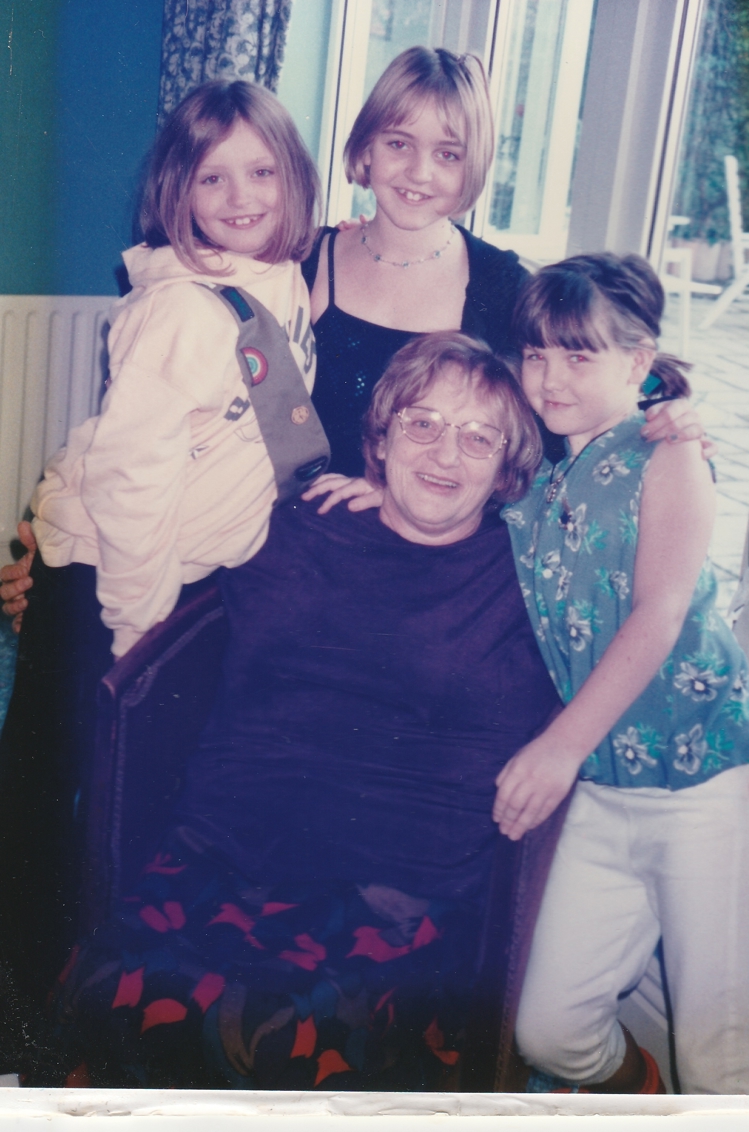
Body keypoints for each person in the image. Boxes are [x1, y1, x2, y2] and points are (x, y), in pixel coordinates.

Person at [49, 335, 559, 1090]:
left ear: (509, 470)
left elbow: (649, 596)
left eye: (479, 437)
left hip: (399, 887)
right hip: (225, 848)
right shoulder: (293, 527)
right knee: (102, 993)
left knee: (283, 1038)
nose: (445, 453)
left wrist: (673, 440)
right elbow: (138, 524)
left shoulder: (530, 579)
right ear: (380, 438)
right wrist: (46, 565)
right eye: (422, 423)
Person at [0, 78, 322, 1000]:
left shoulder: (278, 280)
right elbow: (132, 482)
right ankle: (26, 981)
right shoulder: (180, 312)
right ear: (177, 191)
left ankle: (83, 946)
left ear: (294, 179)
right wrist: (135, 627)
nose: (240, 197)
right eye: (212, 178)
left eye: (260, 172)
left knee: (126, 778)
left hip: (182, 575)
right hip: (107, 575)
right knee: (51, 776)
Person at [492, 254, 749, 1094]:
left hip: (710, 786)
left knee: (724, 1062)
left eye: (578, 354)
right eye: (536, 353)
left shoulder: (670, 455)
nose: (550, 377)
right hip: (603, 792)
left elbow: (660, 615)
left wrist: (557, 749)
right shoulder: (532, 475)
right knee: (549, 1032)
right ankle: (639, 1095)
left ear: (638, 361)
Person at [299, 46, 697, 482]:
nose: (419, 172)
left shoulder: (502, 285)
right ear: (366, 148)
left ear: (473, 166)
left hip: (444, 515)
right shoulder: (305, 259)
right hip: (305, 515)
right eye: (399, 144)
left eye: (447, 154)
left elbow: (598, 376)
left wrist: (662, 412)